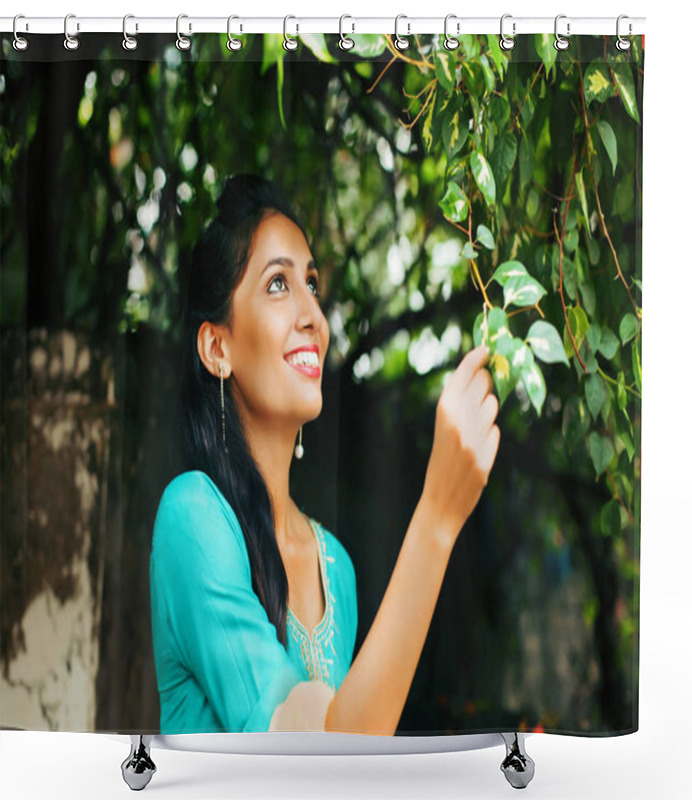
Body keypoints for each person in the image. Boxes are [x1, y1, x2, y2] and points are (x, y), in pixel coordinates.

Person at [149, 174, 501, 735]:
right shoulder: (193, 518)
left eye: (310, 283)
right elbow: (317, 754)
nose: (313, 313)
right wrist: (436, 516)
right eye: (277, 285)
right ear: (218, 347)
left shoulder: (334, 565)